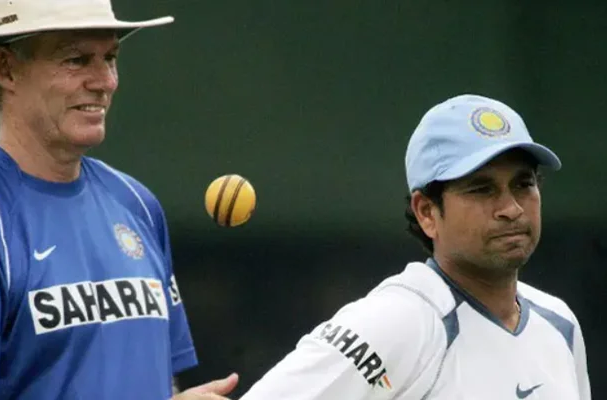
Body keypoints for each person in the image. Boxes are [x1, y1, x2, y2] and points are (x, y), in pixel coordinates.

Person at [0, 0, 238, 399]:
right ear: (4, 68)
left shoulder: (137, 204)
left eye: (110, 58)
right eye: (77, 60)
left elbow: (157, 380)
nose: (105, 81)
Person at [239, 94, 591, 399]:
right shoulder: (399, 321)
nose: (511, 208)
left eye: (523, 184)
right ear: (427, 212)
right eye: (481, 189)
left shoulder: (559, 324)